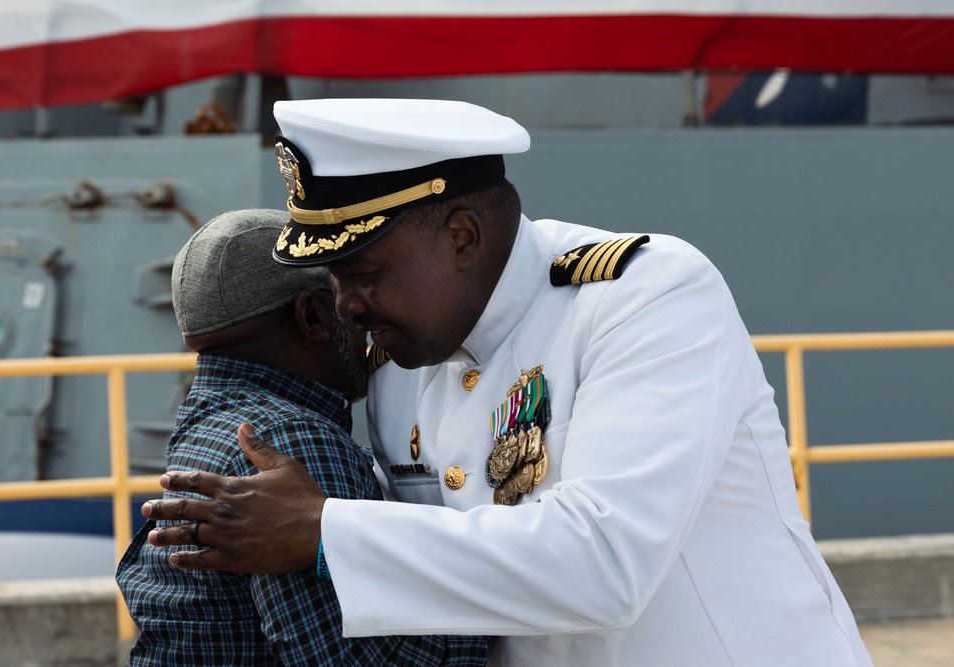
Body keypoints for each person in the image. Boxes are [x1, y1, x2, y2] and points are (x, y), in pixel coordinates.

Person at [142, 99, 873, 666]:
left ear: (460, 235)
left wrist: (323, 529)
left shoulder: (645, 297)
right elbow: (448, 585)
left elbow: (605, 564)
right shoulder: (400, 366)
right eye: (333, 278)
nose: (346, 306)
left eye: (363, 274)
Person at [116, 208, 488, 666]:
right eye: (344, 294)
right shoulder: (291, 443)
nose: (363, 314)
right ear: (312, 316)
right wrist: (495, 604)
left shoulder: (208, 422)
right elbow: (352, 658)